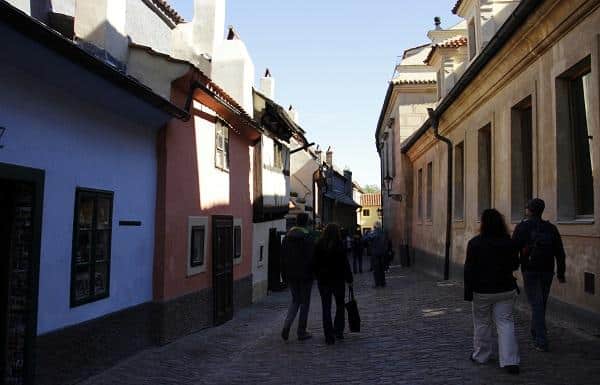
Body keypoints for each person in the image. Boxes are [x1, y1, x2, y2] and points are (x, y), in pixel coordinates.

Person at [464, 209, 520, 375]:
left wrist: (468, 292)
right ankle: (510, 361)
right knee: (506, 323)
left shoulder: (475, 243)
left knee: (482, 323)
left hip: (482, 290)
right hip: (505, 289)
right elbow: (515, 265)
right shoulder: (508, 242)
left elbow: (469, 270)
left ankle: (481, 355)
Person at [512, 198, 566, 352]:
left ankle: (541, 340)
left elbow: (513, 248)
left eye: (526, 208)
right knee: (540, 303)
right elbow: (560, 253)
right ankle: (536, 332)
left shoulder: (522, 227)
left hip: (530, 269)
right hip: (547, 270)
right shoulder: (550, 228)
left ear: (529, 210)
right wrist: (561, 273)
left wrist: (513, 266)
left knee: (536, 304)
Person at [314, 223, 354, 344]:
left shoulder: (319, 244)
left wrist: (318, 276)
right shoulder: (339, 244)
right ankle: (338, 330)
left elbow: (315, 263)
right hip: (338, 280)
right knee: (340, 305)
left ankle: (328, 336)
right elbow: (345, 263)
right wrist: (349, 279)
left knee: (326, 308)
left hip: (324, 281)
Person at [281, 213, 315, 341]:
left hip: (291, 274)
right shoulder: (308, 237)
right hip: (305, 275)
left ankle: (286, 326)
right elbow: (311, 257)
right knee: (305, 303)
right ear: (306, 223)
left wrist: (283, 274)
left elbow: (282, 257)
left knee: (295, 301)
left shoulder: (287, 237)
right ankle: (301, 331)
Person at [363, 221, 387, 288]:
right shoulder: (383, 232)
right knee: (382, 269)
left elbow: (365, 239)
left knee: (376, 269)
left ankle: (378, 284)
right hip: (382, 253)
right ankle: (383, 283)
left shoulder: (374, 232)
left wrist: (366, 233)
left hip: (375, 253)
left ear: (375, 226)